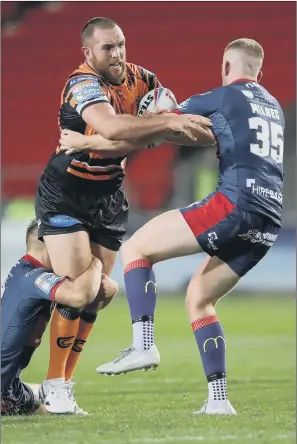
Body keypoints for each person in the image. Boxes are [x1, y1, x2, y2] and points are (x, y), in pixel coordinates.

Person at [92, 38, 285, 415]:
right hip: (268, 219)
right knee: (200, 297)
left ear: (227, 67)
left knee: (136, 248)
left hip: (235, 204)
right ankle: (218, 401)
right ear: (259, 73)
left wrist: (93, 138)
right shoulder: (273, 106)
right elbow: (214, 137)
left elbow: (164, 123)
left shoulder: (223, 97)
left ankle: (143, 344)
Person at [35, 15, 212, 413]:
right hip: (66, 192)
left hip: (109, 196)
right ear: (88, 52)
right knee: (80, 286)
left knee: (97, 295)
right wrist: (161, 125)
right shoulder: (81, 83)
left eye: (121, 44)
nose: (117, 54)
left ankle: (63, 383)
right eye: (107, 48)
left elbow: (193, 131)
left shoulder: (143, 80)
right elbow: (113, 128)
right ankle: (52, 380)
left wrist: (162, 126)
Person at [1, 219, 117, 416]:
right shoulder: (34, 277)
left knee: (41, 394)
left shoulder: (25, 271)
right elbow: (79, 297)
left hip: (10, 384)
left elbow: (100, 294)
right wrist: (95, 263)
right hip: (4, 389)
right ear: (51, 243)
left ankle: (56, 387)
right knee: (46, 406)